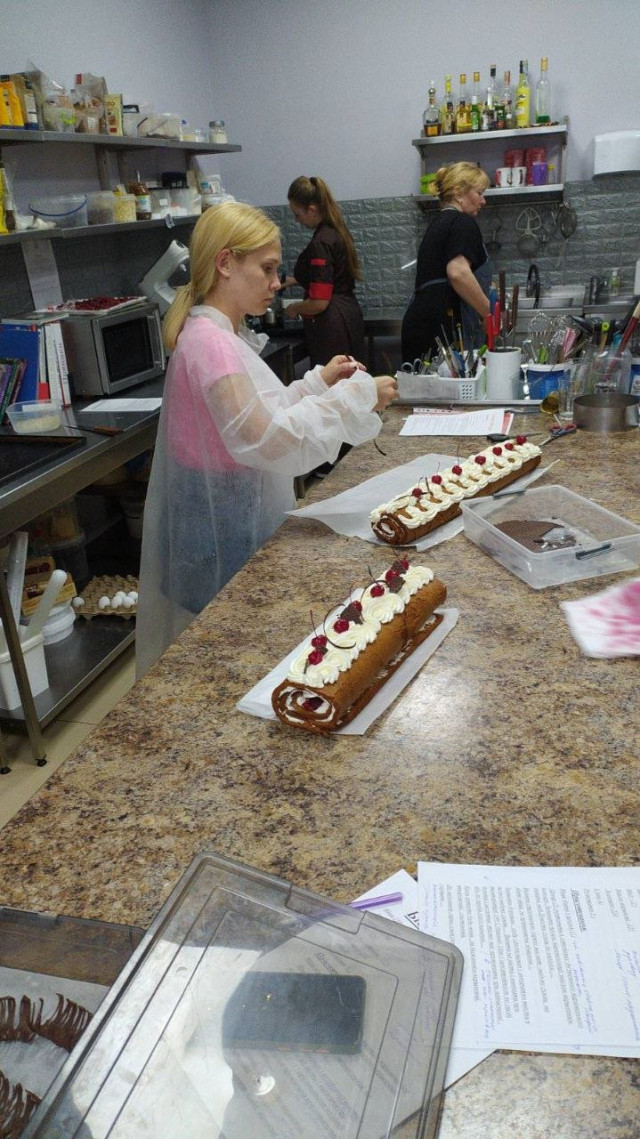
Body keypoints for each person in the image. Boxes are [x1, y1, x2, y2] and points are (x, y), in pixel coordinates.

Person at [136, 201, 397, 676]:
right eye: (268, 268)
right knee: (231, 648)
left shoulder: (216, 332)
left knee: (231, 643)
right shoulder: (212, 343)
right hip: (218, 521)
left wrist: (318, 384)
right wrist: (356, 399)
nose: (278, 283)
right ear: (226, 263)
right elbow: (264, 439)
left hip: (218, 511)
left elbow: (257, 413)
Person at [401, 162, 491, 364]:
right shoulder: (462, 221)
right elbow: (458, 272)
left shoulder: (438, 223)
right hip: (444, 327)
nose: (483, 201)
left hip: (421, 324)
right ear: (459, 193)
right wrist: (489, 313)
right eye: (479, 193)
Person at [284, 176, 366, 367]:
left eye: (297, 215)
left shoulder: (321, 242)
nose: (297, 220)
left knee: (335, 381)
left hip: (332, 326)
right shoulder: (336, 231)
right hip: (348, 316)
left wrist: (294, 308)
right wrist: (295, 279)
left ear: (312, 210)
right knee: (352, 379)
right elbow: (333, 273)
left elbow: (319, 302)